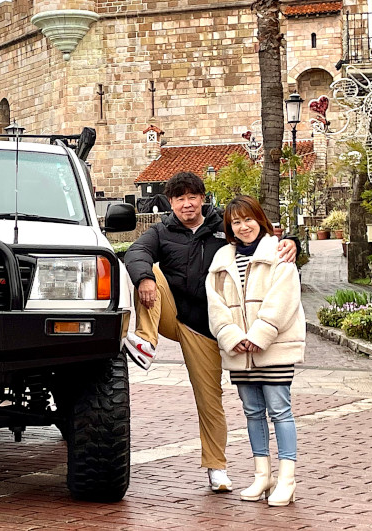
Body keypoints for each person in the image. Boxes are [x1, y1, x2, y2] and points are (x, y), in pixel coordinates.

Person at [123, 172, 297, 492]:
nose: (186, 204)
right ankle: (145, 340)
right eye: (179, 198)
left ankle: (216, 468)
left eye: (192, 197)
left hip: (227, 326)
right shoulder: (162, 233)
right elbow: (135, 253)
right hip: (186, 322)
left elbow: (259, 234)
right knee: (148, 271)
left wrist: (291, 243)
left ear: (203, 198)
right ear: (171, 202)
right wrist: (144, 277)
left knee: (210, 400)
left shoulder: (222, 227)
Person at [206, 195, 305, 506]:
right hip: (239, 353)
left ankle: (287, 477)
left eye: (248, 219)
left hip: (273, 349)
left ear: (260, 220)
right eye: (236, 222)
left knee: (280, 410)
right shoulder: (222, 259)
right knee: (252, 413)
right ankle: (262, 474)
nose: (243, 226)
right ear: (229, 227)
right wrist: (231, 335)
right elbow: (216, 304)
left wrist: (260, 334)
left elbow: (283, 299)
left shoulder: (278, 253)